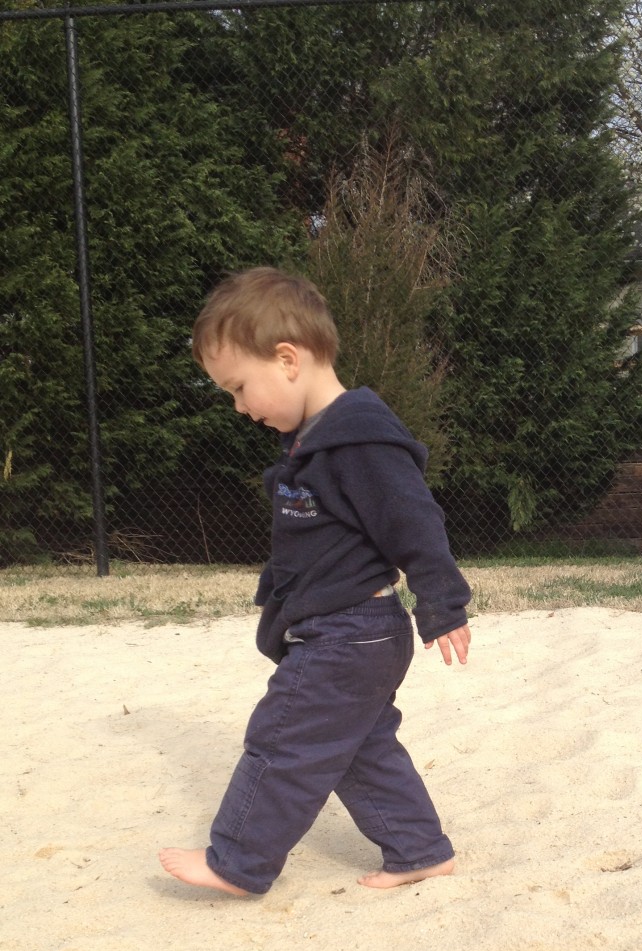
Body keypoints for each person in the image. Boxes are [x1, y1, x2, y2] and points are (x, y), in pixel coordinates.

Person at [159, 267, 471, 896]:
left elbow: (415, 524)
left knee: (284, 741)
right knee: (356, 746)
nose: (240, 408)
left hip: (349, 635)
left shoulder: (360, 442)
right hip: (348, 633)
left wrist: (443, 604)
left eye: (240, 387)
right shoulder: (315, 442)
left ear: (287, 359)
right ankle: (418, 849)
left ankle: (237, 862)